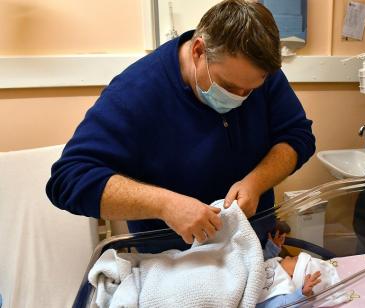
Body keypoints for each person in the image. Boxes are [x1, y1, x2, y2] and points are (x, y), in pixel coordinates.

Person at [46, 0, 315, 249]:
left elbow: (297, 136)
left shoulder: (257, 71)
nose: (240, 98)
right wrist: (165, 204)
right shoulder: (136, 93)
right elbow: (69, 179)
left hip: (252, 248)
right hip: (175, 264)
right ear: (199, 51)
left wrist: (256, 182)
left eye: (251, 90)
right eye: (229, 86)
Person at [257, 254, 322, 308]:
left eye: (292, 258)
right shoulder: (275, 263)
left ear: (295, 274)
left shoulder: (284, 288)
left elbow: (282, 304)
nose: (287, 256)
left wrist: (302, 294)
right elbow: (264, 254)